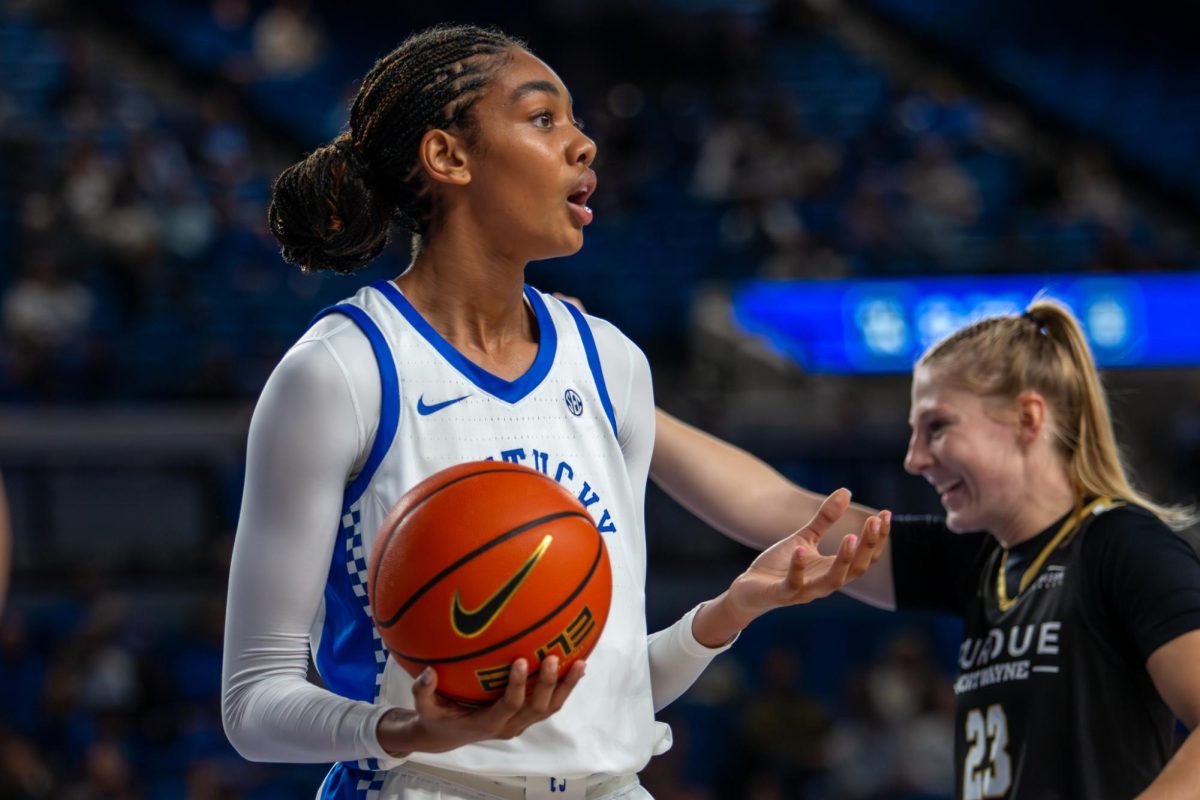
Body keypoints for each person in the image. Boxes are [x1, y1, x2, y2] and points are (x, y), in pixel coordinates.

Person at [220, 24, 889, 800]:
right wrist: (410, 729)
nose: (584, 145)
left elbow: (602, 702)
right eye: (543, 119)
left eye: (575, 120)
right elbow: (253, 703)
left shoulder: (611, 363)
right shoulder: (342, 369)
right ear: (449, 157)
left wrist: (726, 612)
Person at [647, 299, 1200, 798]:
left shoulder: (1120, 544)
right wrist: (621, 402)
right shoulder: (979, 558)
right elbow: (771, 507)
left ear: (1028, 419)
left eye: (936, 427)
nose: (913, 459)